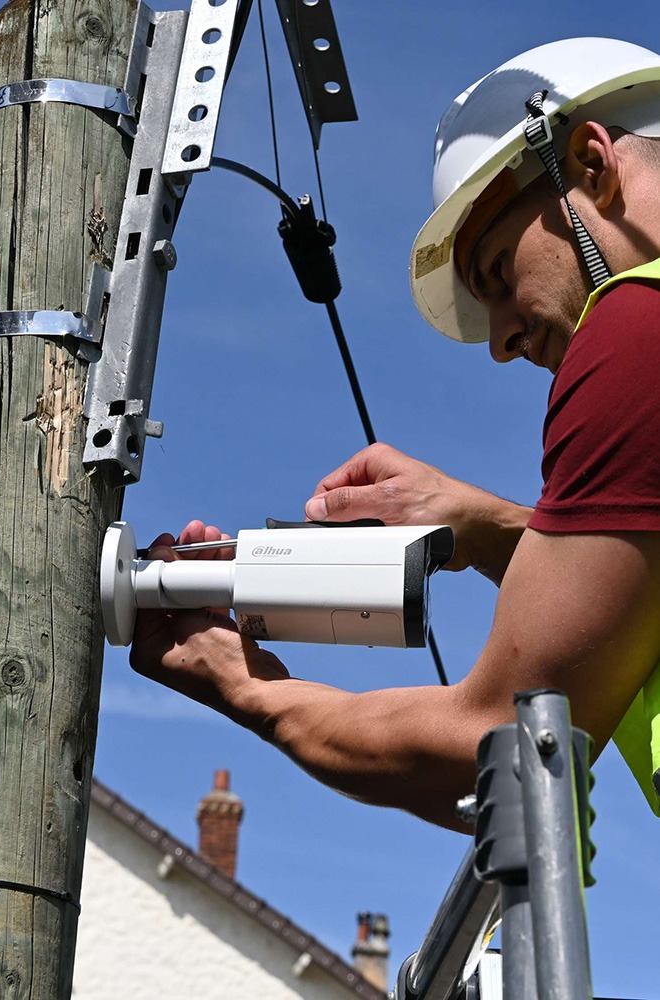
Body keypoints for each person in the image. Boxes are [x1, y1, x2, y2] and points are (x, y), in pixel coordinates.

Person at [130, 37, 660, 831]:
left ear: (588, 163)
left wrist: (252, 690)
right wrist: (482, 528)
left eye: (496, 273)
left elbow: (502, 750)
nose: (502, 341)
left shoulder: (636, 331)